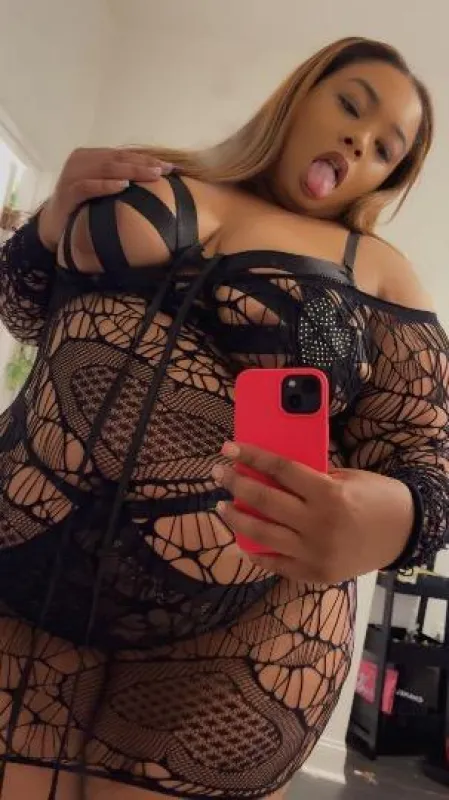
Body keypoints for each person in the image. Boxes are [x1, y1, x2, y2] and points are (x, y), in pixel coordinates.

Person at [0, 34, 447, 800]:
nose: (359, 141)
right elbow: (24, 310)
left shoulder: (378, 270)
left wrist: (399, 519)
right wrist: (45, 229)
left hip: (231, 639)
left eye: (385, 149)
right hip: (19, 580)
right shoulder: (141, 172)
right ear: (298, 96)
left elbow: (423, 457)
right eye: (350, 106)